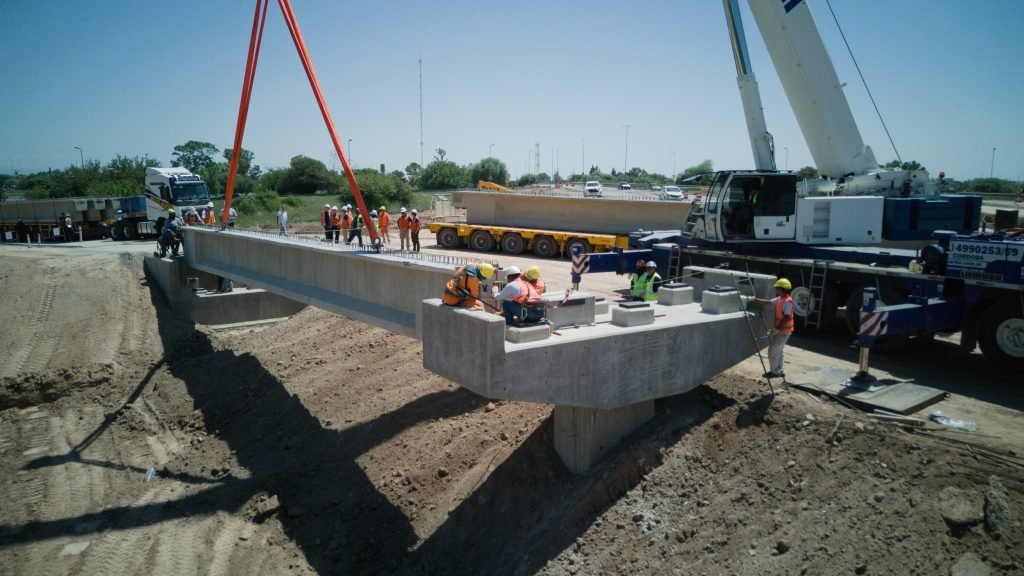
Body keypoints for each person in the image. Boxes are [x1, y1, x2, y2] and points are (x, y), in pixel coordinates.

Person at [751, 278, 795, 378]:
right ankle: (779, 369)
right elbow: (768, 302)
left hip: (783, 331)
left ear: (781, 289)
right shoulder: (780, 299)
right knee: (779, 350)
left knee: (772, 350)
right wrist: (755, 300)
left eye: (777, 288)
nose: (775, 289)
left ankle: (774, 372)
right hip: (783, 330)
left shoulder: (787, 301)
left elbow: (786, 317)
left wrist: (776, 330)